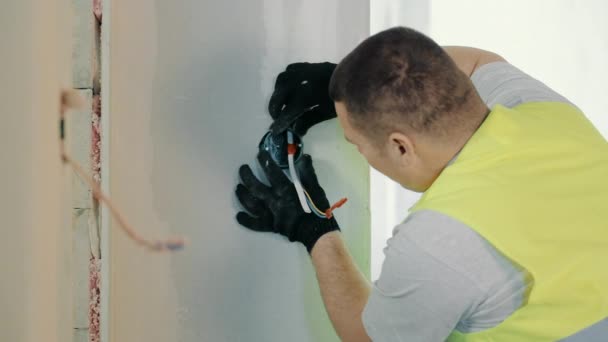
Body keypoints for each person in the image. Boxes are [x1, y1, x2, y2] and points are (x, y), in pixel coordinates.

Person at [235, 26, 608, 341]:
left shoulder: (440, 240)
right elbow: (478, 61)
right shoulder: (540, 112)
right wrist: (356, 87)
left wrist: (315, 228)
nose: (358, 152)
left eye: (356, 143)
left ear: (401, 146)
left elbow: (371, 337)